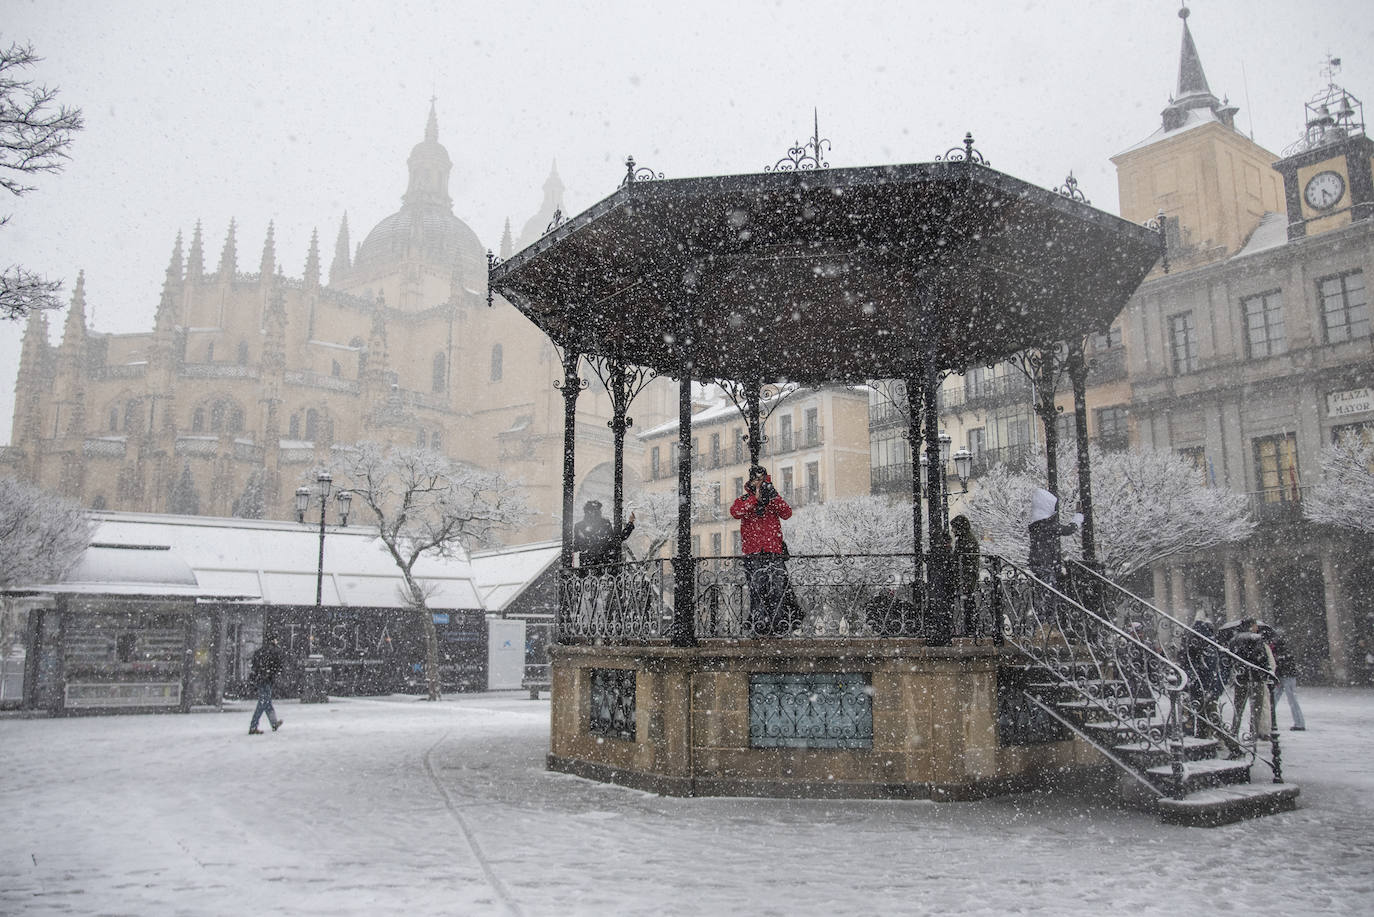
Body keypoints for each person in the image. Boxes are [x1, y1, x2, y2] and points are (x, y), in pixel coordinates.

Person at [729, 465, 794, 636]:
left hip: (773, 551)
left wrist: (772, 497)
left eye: (761, 480)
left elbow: (787, 513)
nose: (759, 483)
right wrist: (754, 500)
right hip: (753, 553)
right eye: (756, 480)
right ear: (751, 481)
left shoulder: (773, 498)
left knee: (777, 590)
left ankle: (778, 626)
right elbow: (735, 511)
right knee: (757, 590)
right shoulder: (745, 499)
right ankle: (759, 625)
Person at [1026, 488, 1078, 628]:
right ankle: (1047, 624)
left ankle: (1041, 623)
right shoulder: (1047, 525)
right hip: (1047, 563)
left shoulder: (1036, 525)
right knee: (1049, 595)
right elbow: (1069, 530)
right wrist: (1078, 517)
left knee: (1042, 593)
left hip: (1037, 563)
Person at [1227, 618, 1274, 749]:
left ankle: (1233, 732)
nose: (1256, 627)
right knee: (1256, 709)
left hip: (1241, 678)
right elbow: (1262, 658)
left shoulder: (1234, 640)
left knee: (1238, 708)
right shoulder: (1256, 638)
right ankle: (1252, 735)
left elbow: (1229, 659)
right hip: (1255, 678)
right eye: (1255, 625)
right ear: (1252, 626)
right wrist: (1266, 672)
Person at [1182, 614, 1226, 740]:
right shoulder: (1209, 642)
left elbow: (1186, 661)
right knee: (1209, 711)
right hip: (1206, 682)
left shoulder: (1191, 640)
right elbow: (1213, 665)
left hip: (1194, 682)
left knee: (1192, 709)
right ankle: (1208, 735)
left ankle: (1190, 732)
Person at [573, 500, 635, 569]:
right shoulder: (604, 524)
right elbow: (616, 540)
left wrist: (630, 524)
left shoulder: (581, 526)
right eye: (593, 511)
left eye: (596, 511)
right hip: (602, 566)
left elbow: (615, 540)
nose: (594, 513)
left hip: (592, 566)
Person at [1267, 626, 1307, 731]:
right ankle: (1270, 721)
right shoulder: (1280, 647)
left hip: (1286, 676)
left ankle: (1299, 723)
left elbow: (1282, 663)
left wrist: (1277, 675)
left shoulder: (1279, 648)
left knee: (1287, 699)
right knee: (1276, 699)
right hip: (1285, 675)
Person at [950, 515, 981, 637]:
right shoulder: (965, 539)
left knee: (968, 603)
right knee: (968, 603)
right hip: (966, 576)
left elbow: (962, 558)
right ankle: (970, 629)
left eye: (954, 528)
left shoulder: (966, 540)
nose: (952, 531)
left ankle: (970, 629)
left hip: (966, 577)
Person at [247, 637, 285, 735]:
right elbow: (278, 665)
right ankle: (253, 726)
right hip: (266, 679)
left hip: (260, 679)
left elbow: (254, 666)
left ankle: (273, 722)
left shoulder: (259, 652)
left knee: (266, 702)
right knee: (263, 703)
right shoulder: (273, 651)